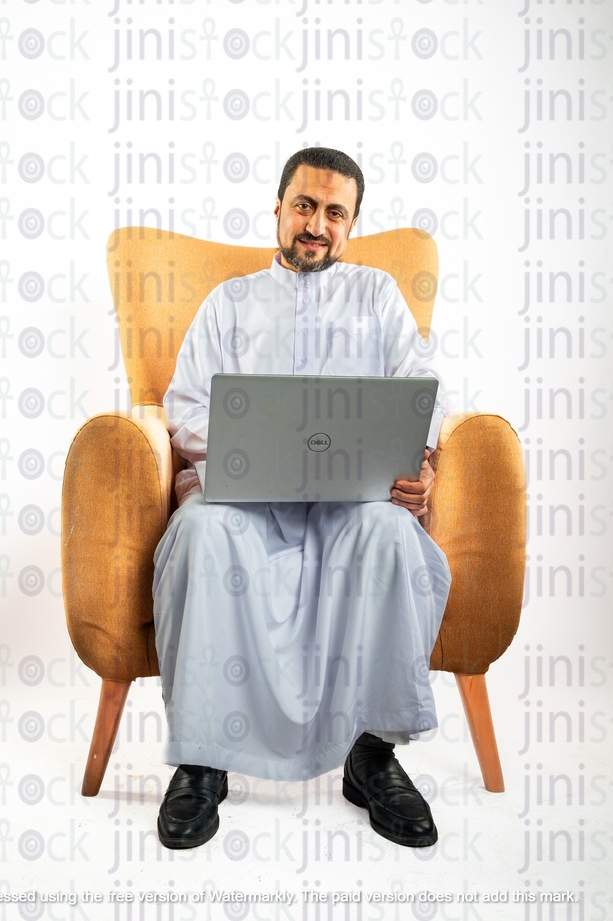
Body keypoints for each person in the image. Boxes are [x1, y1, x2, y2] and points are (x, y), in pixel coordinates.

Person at [152, 147, 452, 851]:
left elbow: (423, 395)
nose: (317, 223)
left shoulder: (377, 296)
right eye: (305, 207)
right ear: (281, 210)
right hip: (243, 503)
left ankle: (372, 754)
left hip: (352, 506)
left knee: (391, 537)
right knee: (200, 536)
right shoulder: (229, 302)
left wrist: (427, 459)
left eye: (335, 212)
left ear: (351, 224)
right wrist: (251, 443)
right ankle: (203, 756)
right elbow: (182, 406)